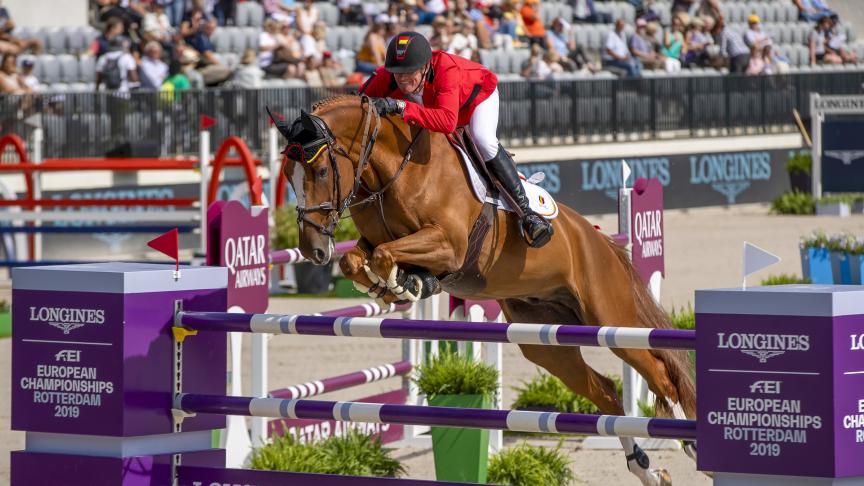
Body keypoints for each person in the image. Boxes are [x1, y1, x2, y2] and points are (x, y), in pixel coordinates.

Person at [359, 31, 553, 247]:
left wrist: (401, 106)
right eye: (397, 73)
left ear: (425, 66)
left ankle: (527, 214)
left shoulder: (445, 69)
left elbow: (447, 122)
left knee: (483, 140)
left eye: (409, 71)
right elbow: (356, 103)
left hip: (476, 100)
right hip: (438, 108)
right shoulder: (387, 77)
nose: (403, 78)